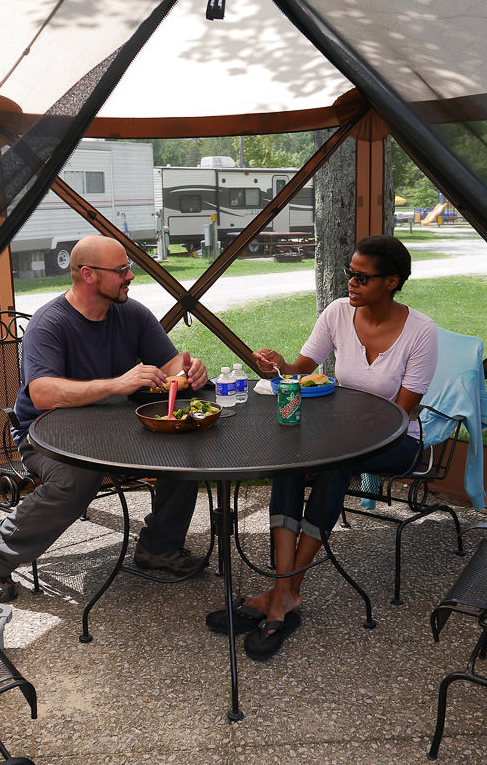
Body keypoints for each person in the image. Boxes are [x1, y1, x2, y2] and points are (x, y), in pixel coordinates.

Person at [207, 235, 438, 659]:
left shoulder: (421, 332)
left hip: (396, 441)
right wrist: (277, 365)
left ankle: (283, 591)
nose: (350, 282)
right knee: (289, 462)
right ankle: (285, 593)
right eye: (350, 273)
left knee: (334, 467)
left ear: (391, 282)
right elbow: (301, 369)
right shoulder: (337, 313)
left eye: (361, 277)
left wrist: (339, 439)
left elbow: (400, 415)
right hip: (338, 434)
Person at [0, 235, 210, 603]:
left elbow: (170, 366)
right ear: (88, 274)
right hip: (45, 438)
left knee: (184, 453)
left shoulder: (131, 313)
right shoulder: (49, 323)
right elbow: (43, 393)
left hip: (115, 429)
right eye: (121, 270)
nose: (130, 276)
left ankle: (159, 547)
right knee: (76, 479)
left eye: (128, 268)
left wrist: (190, 372)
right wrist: (117, 384)